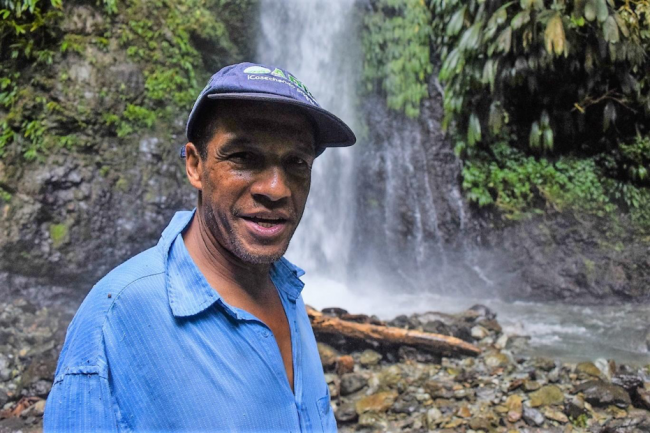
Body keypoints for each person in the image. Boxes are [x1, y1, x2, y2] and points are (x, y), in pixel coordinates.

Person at [43, 62, 356, 432]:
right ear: (195, 165)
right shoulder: (113, 320)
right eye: (243, 157)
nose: (276, 188)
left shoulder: (286, 287)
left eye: (297, 162)